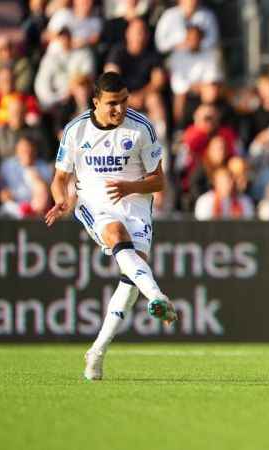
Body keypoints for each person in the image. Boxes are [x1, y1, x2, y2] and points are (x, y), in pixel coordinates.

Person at [44, 72, 177, 381]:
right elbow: (59, 179)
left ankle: (97, 352)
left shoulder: (141, 128)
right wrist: (61, 200)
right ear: (96, 103)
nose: (120, 109)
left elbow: (159, 180)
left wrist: (131, 187)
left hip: (136, 203)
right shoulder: (76, 131)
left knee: (131, 277)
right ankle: (158, 296)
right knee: (116, 235)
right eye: (112, 104)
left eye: (124, 101)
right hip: (94, 203)